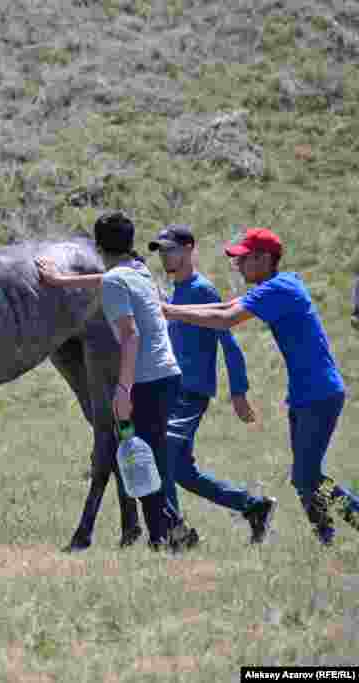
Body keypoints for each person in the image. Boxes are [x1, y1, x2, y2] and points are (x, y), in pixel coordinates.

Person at [162, 227, 359, 545]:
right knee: (305, 479)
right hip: (307, 393)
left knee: (305, 477)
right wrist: (169, 310)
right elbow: (225, 307)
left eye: (243, 260)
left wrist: (170, 312)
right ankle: (326, 542)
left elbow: (226, 320)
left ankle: (331, 535)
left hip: (319, 393)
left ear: (264, 258)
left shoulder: (278, 288)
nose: (238, 266)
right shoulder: (277, 285)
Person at [36, 212, 198, 552]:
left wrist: (123, 389)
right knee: (143, 458)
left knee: (142, 460)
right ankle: (165, 533)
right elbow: (106, 278)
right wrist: (63, 281)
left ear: (97, 246)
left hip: (146, 381)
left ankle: (169, 536)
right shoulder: (139, 271)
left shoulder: (115, 282)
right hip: (167, 376)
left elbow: (130, 336)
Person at [147, 224, 277, 544]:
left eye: (171, 249)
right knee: (182, 473)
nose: (165, 256)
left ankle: (174, 533)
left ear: (190, 248)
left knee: (160, 452)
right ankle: (253, 506)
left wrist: (239, 391)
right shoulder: (172, 292)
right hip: (171, 389)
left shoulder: (202, 290)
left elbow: (228, 342)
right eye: (161, 250)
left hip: (191, 392)